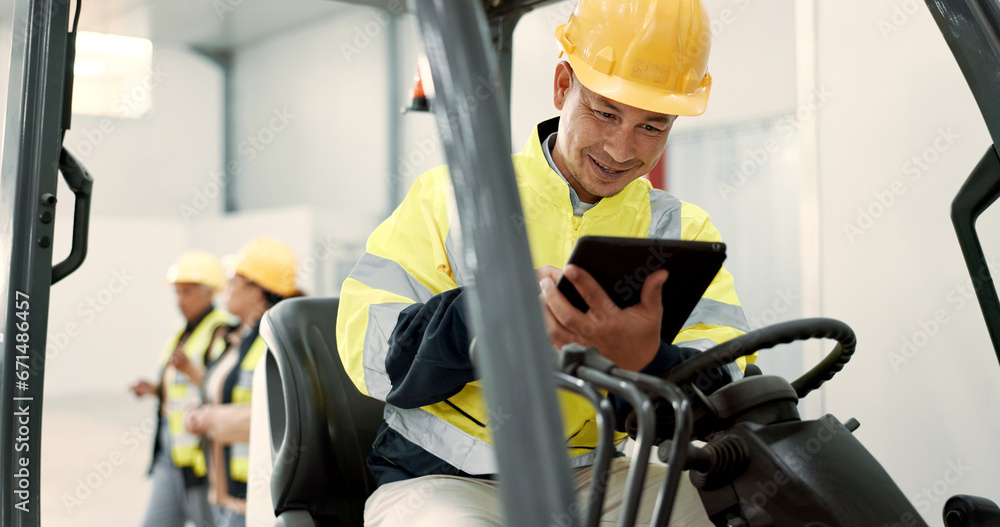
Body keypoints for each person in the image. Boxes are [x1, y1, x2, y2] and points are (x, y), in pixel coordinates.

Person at [337, 1, 755, 525]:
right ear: (563, 86)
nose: (622, 149)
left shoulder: (681, 230)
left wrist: (643, 359)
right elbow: (369, 350)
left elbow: (722, 384)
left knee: (717, 507)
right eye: (605, 112)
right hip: (439, 477)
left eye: (652, 126)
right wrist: (484, 315)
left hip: (589, 474)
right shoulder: (449, 197)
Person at [183, 237, 300, 527]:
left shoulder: (276, 342)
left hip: (255, 491)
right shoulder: (236, 337)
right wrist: (200, 410)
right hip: (228, 489)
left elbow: (284, 416)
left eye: (235, 282)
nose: (228, 289)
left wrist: (213, 419)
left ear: (257, 291)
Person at [130, 250, 237, 527]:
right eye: (177, 293)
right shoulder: (184, 332)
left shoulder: (221, 331)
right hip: (170, 456)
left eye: (187, 292)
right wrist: (155, 389)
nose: (179, 301)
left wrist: (190, 369)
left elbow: (224, 392)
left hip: (201, 461)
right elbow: (179, 389)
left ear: (209, 292)